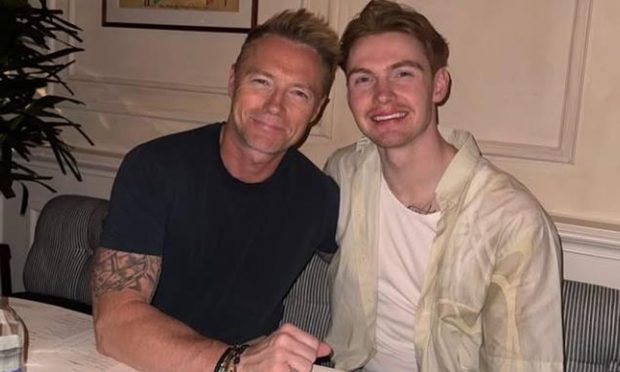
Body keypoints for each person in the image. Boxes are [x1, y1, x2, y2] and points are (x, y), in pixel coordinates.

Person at [91, 8, 340, 372]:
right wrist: (232, 363)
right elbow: (114, 325)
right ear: (232, 80)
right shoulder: (156, 168)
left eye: (298, 93)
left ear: (317, 110)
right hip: (143, 359)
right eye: (261, 82)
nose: (275, 107)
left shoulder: (319, 196)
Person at [324, 1, 564, 371]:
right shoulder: (344, 173)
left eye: (402, 74)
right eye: (363, 78)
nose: (382, 95)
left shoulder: (512, 221)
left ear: (438, 85)